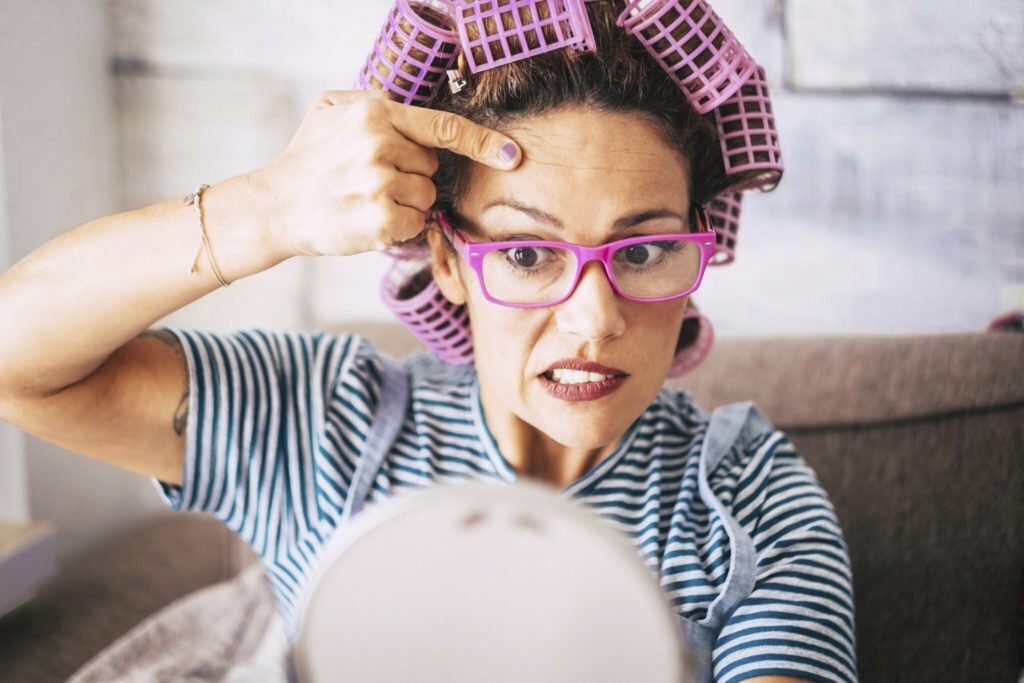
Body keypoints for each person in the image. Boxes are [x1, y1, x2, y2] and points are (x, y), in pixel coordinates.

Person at [0, 1, 856, 681]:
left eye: (644, 248)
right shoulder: (327, 425)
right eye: (526, 252)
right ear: (446, 258)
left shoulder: (745, 496)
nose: (595, 320)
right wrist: (267, 208)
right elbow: (19, 364)